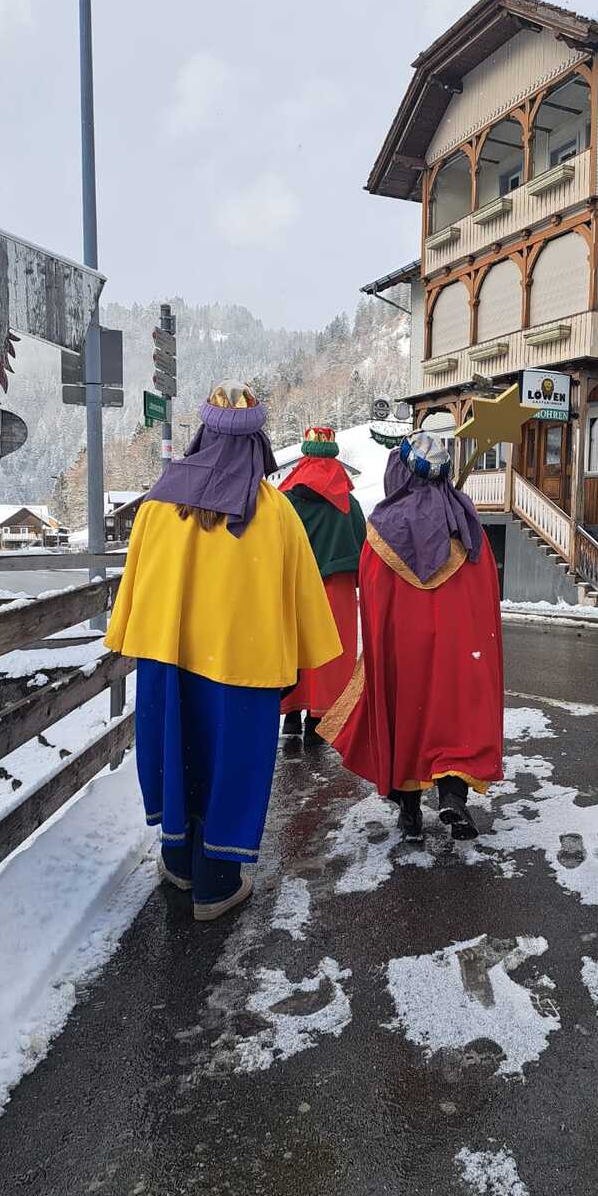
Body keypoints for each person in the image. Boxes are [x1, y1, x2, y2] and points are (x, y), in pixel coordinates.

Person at [105, 380, 341, 921]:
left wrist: (132, 636)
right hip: (243, 666)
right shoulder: (275, 513)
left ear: (202, 437)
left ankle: (178, 861)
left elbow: (135, 583)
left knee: (175, 755)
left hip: (168, 660)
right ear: (257, 442)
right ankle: (216, 883)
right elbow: (303, 598)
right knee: (231, 767)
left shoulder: (158, 505)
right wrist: (297, 659)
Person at [321, 431, 503, 843]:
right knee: (454, 716)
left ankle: (409, 809)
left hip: (405, 653)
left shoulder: (382, 532)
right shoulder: (467, 526)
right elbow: (485, 596)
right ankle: (452, 795)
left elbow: (372, 598)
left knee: (406, 716)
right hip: (459, 651)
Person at [277, 427, 367, 748]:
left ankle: (291, 714)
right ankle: (317, 720)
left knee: (295, 647)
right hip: (335, 591)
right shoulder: (348, 504)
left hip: (294, 587)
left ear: (303, 459)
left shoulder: (285, 501)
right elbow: (363, 549)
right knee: (329, 655)